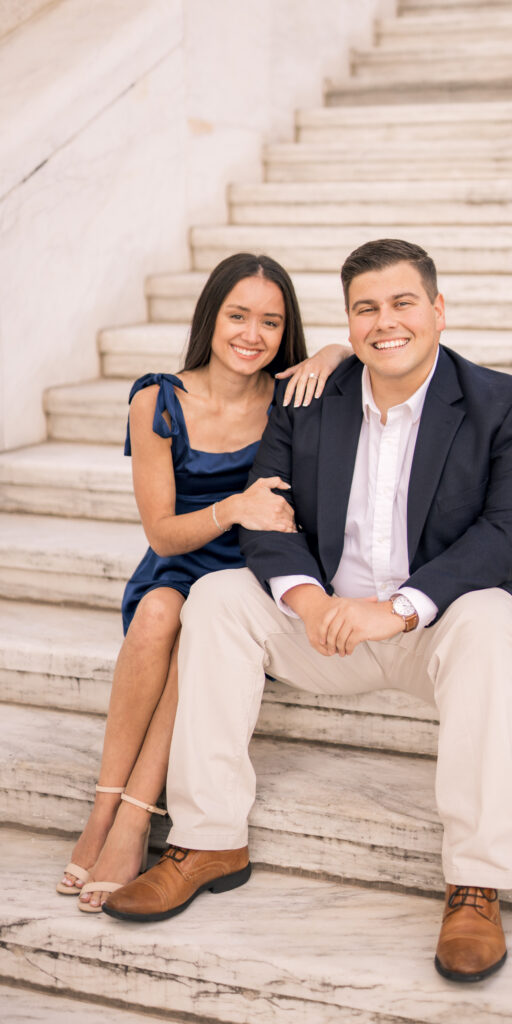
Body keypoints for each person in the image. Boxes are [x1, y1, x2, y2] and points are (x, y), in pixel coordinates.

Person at [103, 239, 512, 983]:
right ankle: (209, 839)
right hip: (326, 627)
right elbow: (264, 520)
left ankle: (476, 883)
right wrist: (309, 601)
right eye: (365, 308)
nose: (385, 322)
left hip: (435, 630)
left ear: (438, 310)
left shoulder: (505, 403)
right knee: (216, 598)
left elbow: (507, 533)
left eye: (402, 302)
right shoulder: (307, 400)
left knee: (493, 617)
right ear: (347, 321)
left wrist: (398, 609)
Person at [57, 252, 350, 912]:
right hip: (178, 560)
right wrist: (234, 506)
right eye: (238, 315)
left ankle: (133, 821)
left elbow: (382, 354)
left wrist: (333, 351)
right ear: (210, 317)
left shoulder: (291, 396)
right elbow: (161, 534)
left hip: (246, 575)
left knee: (203, 625)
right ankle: (103, 813)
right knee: (160, 613)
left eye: (271, 322)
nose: (253, 334)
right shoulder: (157, 399)